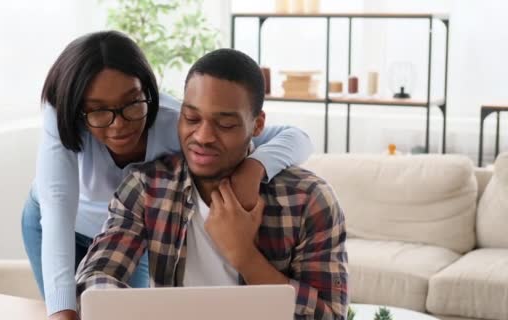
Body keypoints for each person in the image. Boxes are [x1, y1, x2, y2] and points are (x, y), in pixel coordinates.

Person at [21, 31, 314, 320]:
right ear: (77, 109)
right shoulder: (61, 117)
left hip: (126, 228)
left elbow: (295, 136)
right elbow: (57, 205)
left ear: (147, 90)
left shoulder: (181, 122)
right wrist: (62, 311)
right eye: (98, 111)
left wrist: (255, 167)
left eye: (132, 103)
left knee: (134, 312)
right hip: (55, 224)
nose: (119, 125)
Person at [75, 48, 348, 320]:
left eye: (225, 124)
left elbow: (331, 316)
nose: (203, 137)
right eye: (192, 118)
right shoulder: (148, 188)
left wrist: (243, 255)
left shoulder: (309, 200)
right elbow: (94, 278)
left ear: (257, 125)